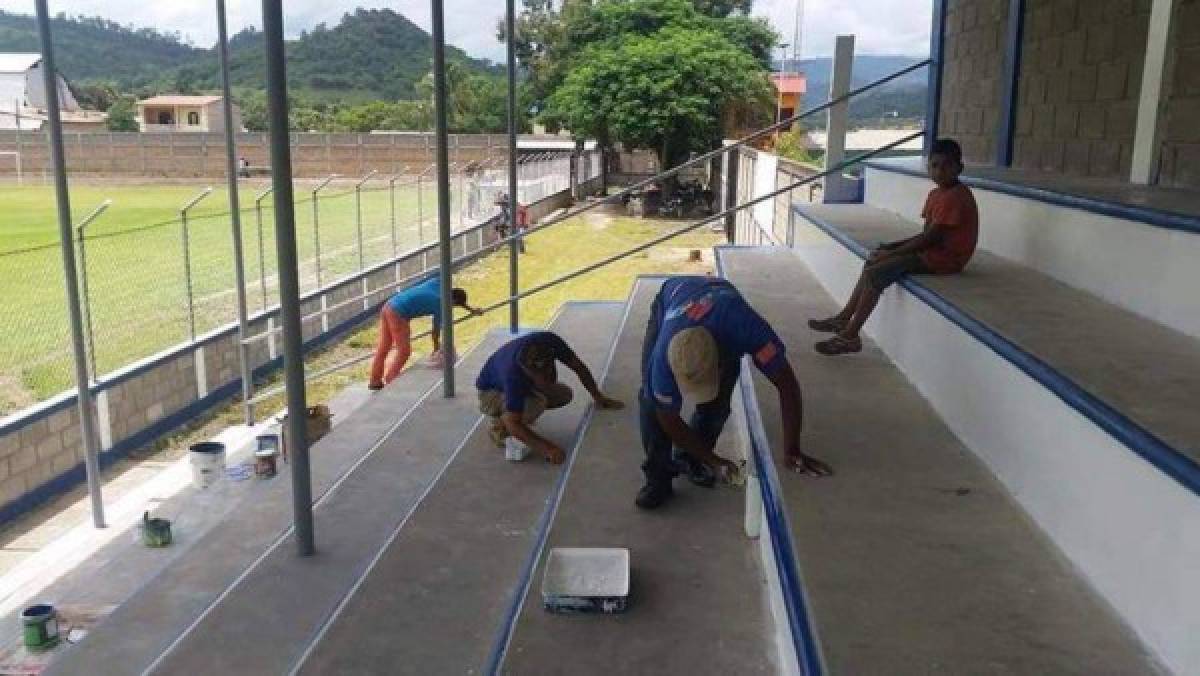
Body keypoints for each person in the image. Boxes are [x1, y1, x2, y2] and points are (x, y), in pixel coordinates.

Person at [637, 277, 833, 510]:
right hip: (671, 298)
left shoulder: (748, 329)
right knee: (650, 402)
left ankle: (692, 458)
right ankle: (657, 478)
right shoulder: (663, 359)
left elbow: (787, 385)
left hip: (720, 300)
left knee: (717, 406)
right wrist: (716, 460)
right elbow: (667, 418)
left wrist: (792, 449)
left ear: (720, 360)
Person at [809, 138, 979, 355]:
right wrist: (891, 247)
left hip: (947, 259)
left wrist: (894, 253)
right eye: (934, 166)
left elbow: (931, 239)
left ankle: (850, 337)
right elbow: (926, 234)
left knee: (876, 273)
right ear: (928, 168)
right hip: (932, 252)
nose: (939, 171)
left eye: (946, 166)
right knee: (874, 259)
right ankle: (843, 319)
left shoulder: (955, 197)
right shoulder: (936, 194)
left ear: (959, 168)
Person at [476, 331, 623, 464]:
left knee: (564, 394)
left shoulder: (550, 341)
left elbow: (579, 367)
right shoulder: (512, 376)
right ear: (527, 371)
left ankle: (520, 411)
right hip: (490, 393)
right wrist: (548, 449)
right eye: (538, 377)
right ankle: (499, 426)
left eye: (546, 374)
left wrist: (598, 396)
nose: (544, 379)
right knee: (534, 405)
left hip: (518, 383)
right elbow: (513, 423)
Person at [368, 276, 480, 391]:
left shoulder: (438, 283)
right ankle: (391, 379)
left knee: (383, 348)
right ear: (452, 301)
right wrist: (436, 349)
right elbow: (435, 332)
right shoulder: (441, 304)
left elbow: (456, 297)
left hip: (389, 305)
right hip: (399, 314)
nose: (451, 308)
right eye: (453, 306)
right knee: (404, 351)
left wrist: (471, 310)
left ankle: (374, 381)